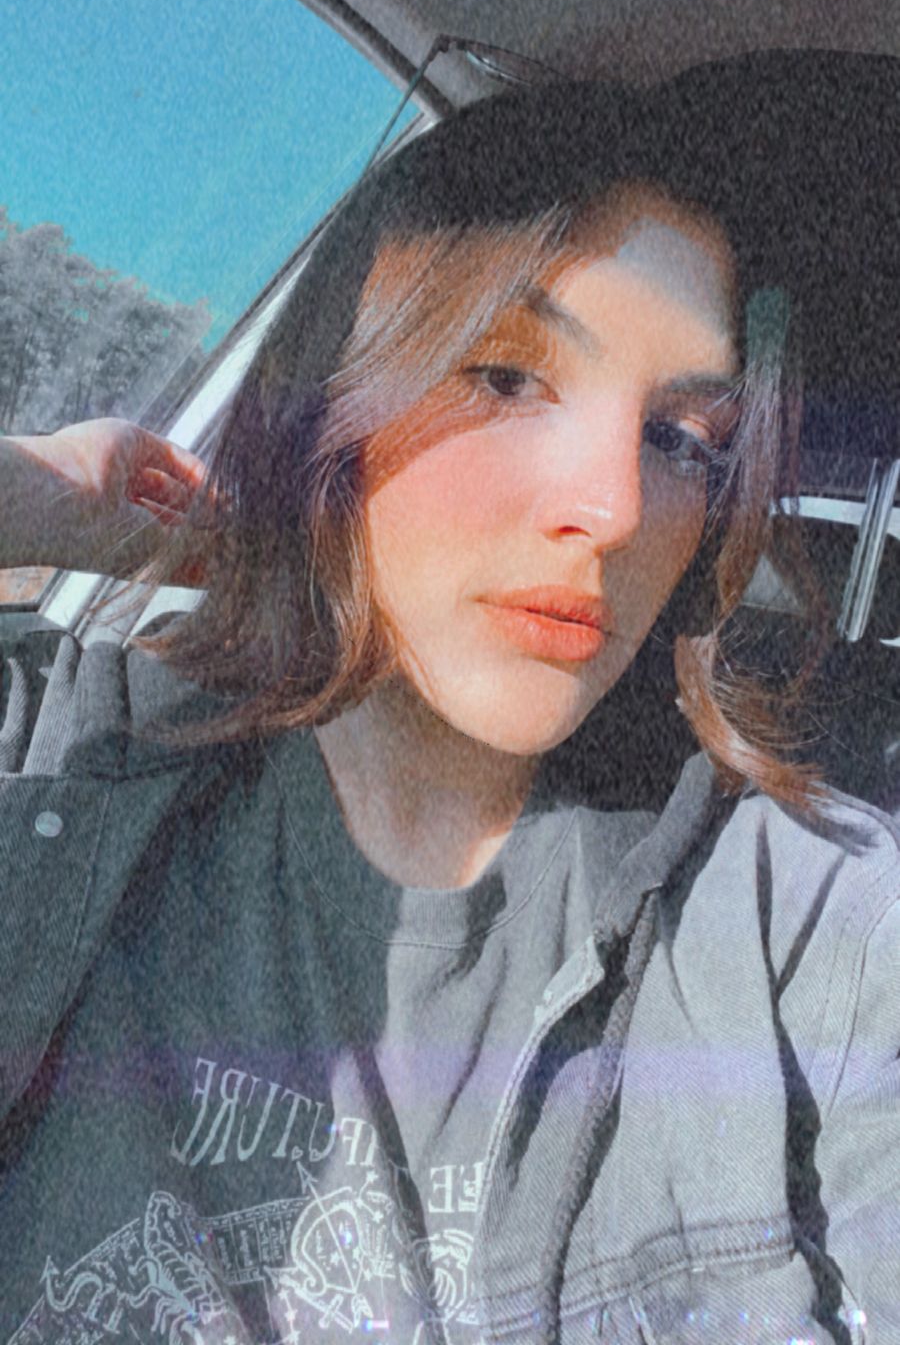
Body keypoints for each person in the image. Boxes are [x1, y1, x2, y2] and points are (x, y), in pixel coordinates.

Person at [0, 74, 897, 1343]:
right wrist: (36, 499)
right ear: (328, 398)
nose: (616, 510)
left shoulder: (801, 926)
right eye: (508, 377)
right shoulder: (61, 768)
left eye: (681, 439)